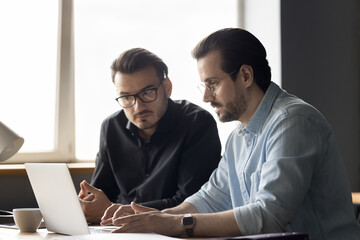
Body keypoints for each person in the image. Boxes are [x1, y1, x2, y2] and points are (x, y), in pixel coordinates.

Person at [100, 28, 360, 240]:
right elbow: (211, 197)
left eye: (212, 84)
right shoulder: (240, 136)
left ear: (245, 76)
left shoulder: (292, 122)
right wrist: (157, 218)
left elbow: (268, 217)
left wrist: (172, 224)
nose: (205, 96)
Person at [78, 48, 221, 223]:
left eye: (147, 93)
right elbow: (100, 194)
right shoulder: (111, 127)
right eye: (126, 97)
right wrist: (88, 204)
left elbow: (191, 203)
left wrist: (118, 212)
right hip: (116, 230)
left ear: (167, 88)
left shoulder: (197, 123)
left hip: (173, 233)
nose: (138, 107)